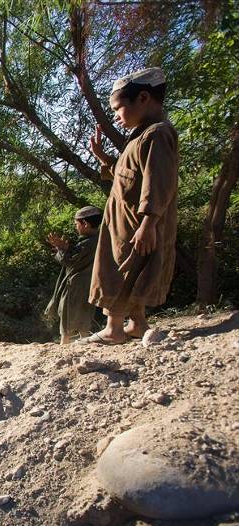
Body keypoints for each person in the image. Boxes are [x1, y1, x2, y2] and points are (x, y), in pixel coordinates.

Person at [82, 67, 178, 345]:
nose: (116, 115)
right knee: (132, 269)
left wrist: (148, 221)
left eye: (118, 108)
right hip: (126, 221)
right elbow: (129, 178)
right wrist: (103, 158)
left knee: (120, 270)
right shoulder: (140, 135)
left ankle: (113, 329)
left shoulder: (157, 135)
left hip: (136, 224)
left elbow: (157, 182)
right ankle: (137, 323)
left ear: (143, 98)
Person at [45, 206, 102, 344]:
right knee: (85, 317)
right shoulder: (98, 239)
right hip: (90, 283)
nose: (76, 227)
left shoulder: (87, 243)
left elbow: (68, 261)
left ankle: (64, 345)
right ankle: (85, 342)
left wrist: (60, 249)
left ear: (85, 224)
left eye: (77, 224)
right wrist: (66, 248)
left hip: (76, 285)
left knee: (67, 319)